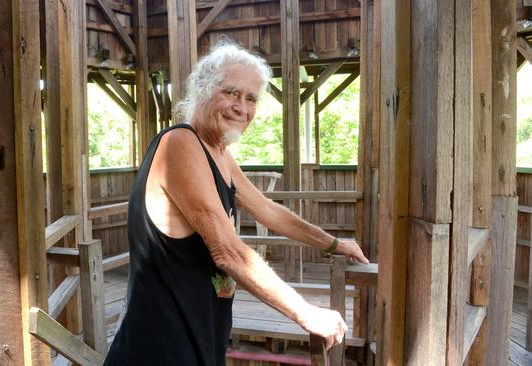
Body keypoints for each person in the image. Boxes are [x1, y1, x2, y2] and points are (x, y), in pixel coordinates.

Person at [104, 40, 369, 366]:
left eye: (250, 98)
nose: (241, 108)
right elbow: (228, 252)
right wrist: (306, 312)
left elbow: (269, 211)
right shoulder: (180, 143)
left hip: (200, 332)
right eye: (230, 93)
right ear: (202, 90)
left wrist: (332, 244)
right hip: (159, 343)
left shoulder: (219, 154)